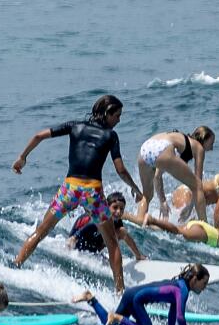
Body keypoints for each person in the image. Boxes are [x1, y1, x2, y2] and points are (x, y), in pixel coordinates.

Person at [12, 95, 143, 293]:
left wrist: (22, 157)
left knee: (40, 232)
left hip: (70, 189)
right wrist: (135, 188)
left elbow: (39, 135)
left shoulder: (75, 126)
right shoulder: (110, 136)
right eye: (117, 116)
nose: (118, 120)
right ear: (107, 114)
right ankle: (120, 292)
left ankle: (16, 266)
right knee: (113, 243)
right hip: (92, 191)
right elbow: (121, 170)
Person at [73, 263, 209, 325]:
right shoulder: (183, 291)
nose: (204, 287)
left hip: (130, 293)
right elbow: (180, 317)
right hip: (136, 299)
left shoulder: (179, 285)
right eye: (204, 283)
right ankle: (118, 318)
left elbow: (173, 314)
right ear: (195, 279)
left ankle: (90, 298)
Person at [136, 126, 215, 223]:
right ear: (204, 139)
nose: (211, 148)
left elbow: (157, 176)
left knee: (147, 196)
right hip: (162, 146)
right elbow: (198, 184)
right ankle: (204, 226)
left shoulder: (179, 141)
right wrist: (190, 208)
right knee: (197, 185)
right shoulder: (199, 147)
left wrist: (163, 201)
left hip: (145, 148)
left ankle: (138, 221)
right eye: (211, 143)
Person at [126, 207, 219, 257]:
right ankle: (153, 220)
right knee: (178, 231)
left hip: (204, 228)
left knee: (168, 231)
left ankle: (128, 217)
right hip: (208, 235)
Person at [67, 192, 145, 260]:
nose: (119, 211)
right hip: (79, 244)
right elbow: (75, 236)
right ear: (107, 207)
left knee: (122, 231)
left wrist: (138, 255)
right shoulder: (98, 218)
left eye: (121, 209)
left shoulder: (117, 222)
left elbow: (123, 235)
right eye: (115, 207)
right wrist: (69, 250)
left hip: (93, 247)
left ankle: (138, 256)